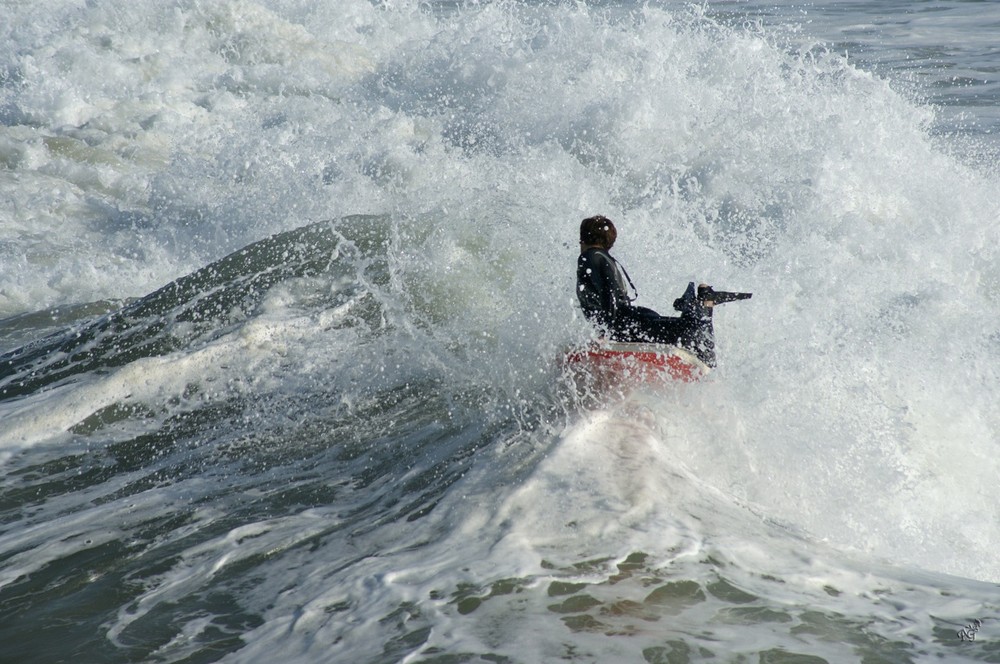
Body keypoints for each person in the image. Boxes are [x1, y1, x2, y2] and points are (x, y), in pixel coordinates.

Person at [576, 215, 726, 367]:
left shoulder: (589, 257)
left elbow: (607, 296)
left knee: (688, 334)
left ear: (584, 238)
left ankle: (703, 303)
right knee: (685, 333)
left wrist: (605, 331)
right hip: (633, 318)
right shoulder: (607, 259)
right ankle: (702, 304)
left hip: (625, 324)